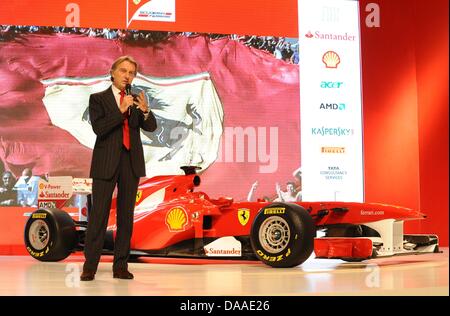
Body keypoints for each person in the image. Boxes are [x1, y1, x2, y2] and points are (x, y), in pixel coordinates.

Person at [81, 56, 157, 281]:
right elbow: (99, 129)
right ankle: (90, 266)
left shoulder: (135, 100)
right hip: (106, 162)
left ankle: (120, 266)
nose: (127, 76)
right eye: (123, 71)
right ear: (112, 72)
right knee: (99, 215)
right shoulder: (98, 99)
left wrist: (144, 111)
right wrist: (120, 110)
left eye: (132, 72)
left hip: (130, 163)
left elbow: (151, 127)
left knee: (126, 216)